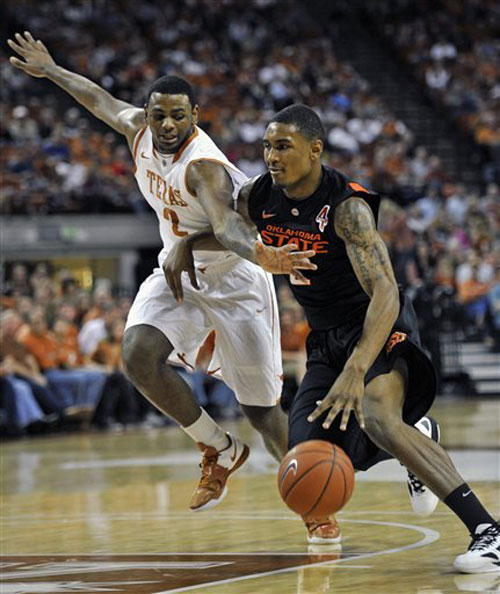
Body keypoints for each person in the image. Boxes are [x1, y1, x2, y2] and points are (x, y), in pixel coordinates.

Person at [166, 104, 499, 574]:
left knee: (378, 418)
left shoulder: (347, 210)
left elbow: (385, 290)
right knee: (308, 456)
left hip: (378, 325)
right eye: (267, 146)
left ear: (315, 149)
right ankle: (418, 435)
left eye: (283, 146)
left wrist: (358, 368)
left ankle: (488, 530)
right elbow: (229, 230)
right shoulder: (261, 196)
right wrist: (186, 242)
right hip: (325, 339)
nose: (271, 156)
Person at [8, 32, 316, 512]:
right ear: (147, 115)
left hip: (235, 277)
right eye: (159, 115)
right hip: (180, 274)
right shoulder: (138, 132)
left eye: (178, 115)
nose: (167, 124)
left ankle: (315, 507)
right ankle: (218, 447)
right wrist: (50, 69)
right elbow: (99, 100)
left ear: (195, 117)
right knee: (137, 354)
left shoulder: (203, 169)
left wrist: (260, 255)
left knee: (261, 410)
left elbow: (229, 227)